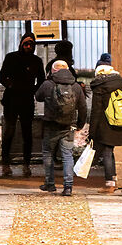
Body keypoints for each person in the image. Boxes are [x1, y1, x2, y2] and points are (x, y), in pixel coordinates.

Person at [0, 32, 42, 177]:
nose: (28, 47)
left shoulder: (36, 61)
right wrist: (11, 85)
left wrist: (32, 90)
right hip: (11, 99)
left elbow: (41, 79)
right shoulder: (11, 57)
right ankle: (5, 164)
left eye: (31, 45)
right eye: (26, 44)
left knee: (27, 133)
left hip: (27, 100)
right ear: (21, 44)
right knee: (9, 131)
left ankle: (26, 164)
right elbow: (2, 75)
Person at [88, 53, 122, 191]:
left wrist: (92, 132)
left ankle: (109, 184)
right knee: (110, 152)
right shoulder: (120, 83)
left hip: (104, 125)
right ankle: (114, 180)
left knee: (106, 153)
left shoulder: (99, 86)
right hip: (118, 122)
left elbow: (95, 111)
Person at [39, 55, 82, 195]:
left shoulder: (48, 84)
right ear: (68, 70)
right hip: (69, 126)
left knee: (48, 153)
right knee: (67, 155)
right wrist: (80, 124)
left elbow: (37, 97)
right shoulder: (75, 86)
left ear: (52, 71)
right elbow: (83, 107)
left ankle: (50, 184)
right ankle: (68, 186)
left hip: (51, 125)